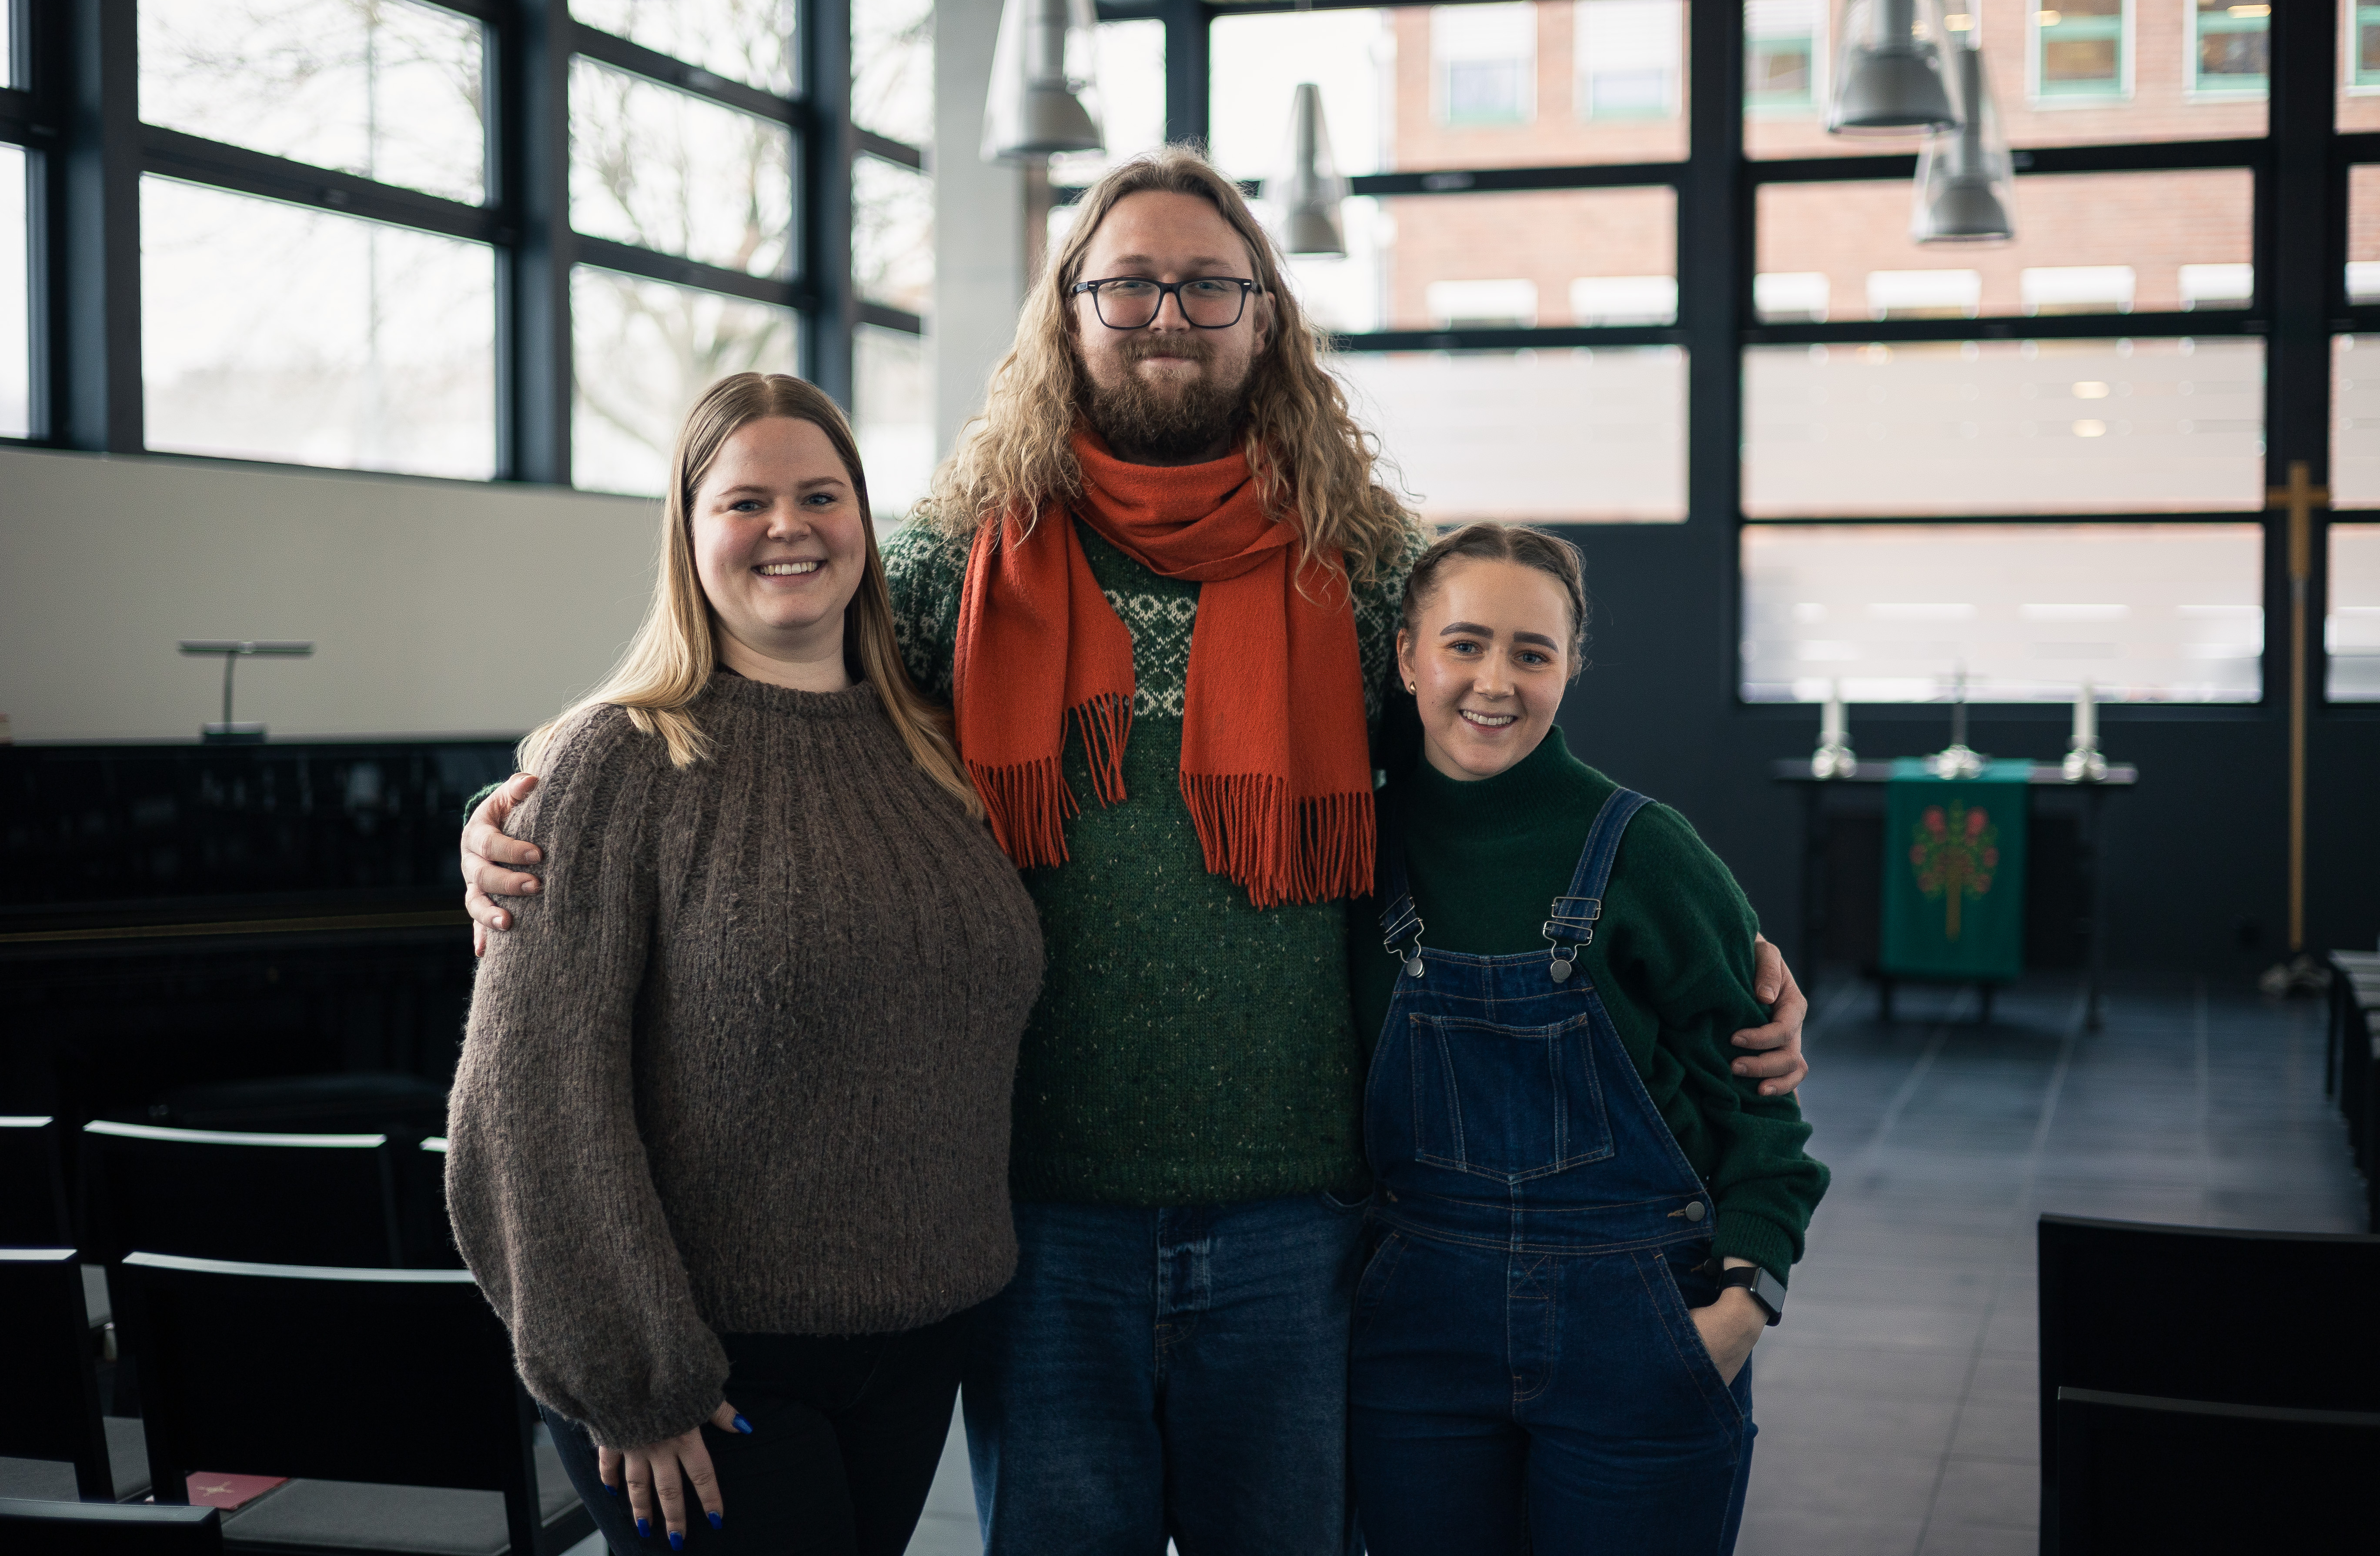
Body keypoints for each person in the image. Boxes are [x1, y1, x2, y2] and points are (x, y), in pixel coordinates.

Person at [459, 147, 1811, 1553]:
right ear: (1068, 312)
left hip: (1298, 1209)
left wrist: (1714, 964)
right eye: (1130, 285)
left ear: (1265, 317)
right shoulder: (947, 567)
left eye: (1209, 286)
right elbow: (757, 709)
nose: (1168, 313)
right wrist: (529, 803)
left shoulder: (1362, 571)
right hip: (1033, 1219)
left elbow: (1490, 790)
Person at [444, 374, 1045, 1556]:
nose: (790, 526)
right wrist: (634, 1376)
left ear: (865, 528)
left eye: (822, 495)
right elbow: (526, 1105)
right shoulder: (612, 762)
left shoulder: (933, 749)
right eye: (745, 501)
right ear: (688, 529)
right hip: (707, 1365)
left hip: (920, 1339)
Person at [1347, 523, 1829, 1555]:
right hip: (1416, 1341)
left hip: (1641, 1333)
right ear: (1406, 656)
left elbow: (1762, 1110)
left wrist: (1748, 1301)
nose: (1495, 681)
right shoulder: (1352, 847)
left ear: (1571, 669)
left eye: (1534, 653)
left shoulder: (1647, 852)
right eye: (1465, 644)